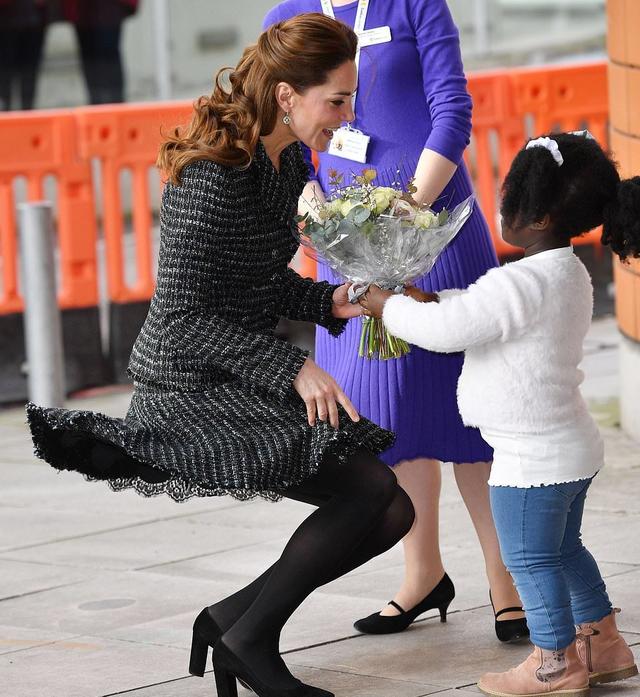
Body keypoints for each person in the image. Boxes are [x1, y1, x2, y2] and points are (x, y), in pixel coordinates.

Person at [26, 14, 416, 697]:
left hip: (236, 368)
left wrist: (335, 300)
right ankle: (249, 637)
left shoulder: (287, 157)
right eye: (338, 99)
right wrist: (293, 367)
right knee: (374, 493)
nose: (349, 114)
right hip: (186, 385)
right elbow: (181, 318)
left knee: (390, 509)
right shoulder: (215, 171)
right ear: (288, 95)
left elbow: (257, 279)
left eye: (351, 98)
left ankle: (234, 621)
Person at [263, 0, 527, 641]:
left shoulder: (416, 3)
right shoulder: (289, 13)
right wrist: (315, 219)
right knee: (388, 416)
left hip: (434, 228)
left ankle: (507, 580)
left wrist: (410, 213)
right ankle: (422, 574)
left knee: (467, 406)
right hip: (343, 242)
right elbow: (284, 123)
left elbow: (452, 110)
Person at [359, 131, 640, 697]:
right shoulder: (567, 273)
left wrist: (387, 305)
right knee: (563, 550)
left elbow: (448, 333)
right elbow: (478, 310)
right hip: (570, 448)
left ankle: (554, 664)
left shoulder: (517, 282)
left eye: (508, 196)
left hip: (528, 459)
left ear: (533, 217)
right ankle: (604, 643)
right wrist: (433, 299)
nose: (499, 204)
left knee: (530, 560)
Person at [60, 0, 139, 104]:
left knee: (108, 58)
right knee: (91, 61)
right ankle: (99, 107)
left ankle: (114, 108)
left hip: (108, 7)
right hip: (83, 8)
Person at [0, 0, 48, 111]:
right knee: (5, 76)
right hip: (5, 22)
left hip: (34, 19)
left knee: (29, 77)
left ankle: (28, 114)